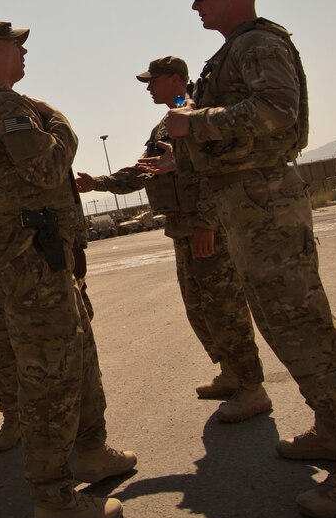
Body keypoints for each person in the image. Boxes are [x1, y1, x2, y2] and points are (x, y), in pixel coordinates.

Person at [155, 0, 336, 518]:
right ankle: (334, 430)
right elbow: (242, 120)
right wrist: (188, 147)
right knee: (279, 320)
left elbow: (274, 110)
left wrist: (197, 123)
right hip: (245, 198)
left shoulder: (257, 43)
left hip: (265, 198)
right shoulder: (236, 48)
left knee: (303, 322)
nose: (196, 4)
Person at [0, 21, 135, 518]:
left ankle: (92, 451)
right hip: (31, 257)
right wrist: (62, 125)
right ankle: (53, 497)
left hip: (23, 254)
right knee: (51, 369)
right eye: (17, 44)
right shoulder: (6, 108)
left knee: (78, 351)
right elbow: (50, 170)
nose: (24, 51)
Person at [75, 55, 271, 423]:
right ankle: (231, 373)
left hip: (206, 227)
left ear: (177, 80)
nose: (148, 87)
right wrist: (96, 183)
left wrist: (205, 223)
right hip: (183, 229)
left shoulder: (201, 114)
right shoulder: (167, 125)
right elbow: (144, 170)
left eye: (154, 80)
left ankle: (252, 387)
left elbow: (217, 172)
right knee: (200, 307)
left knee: (226, 307)